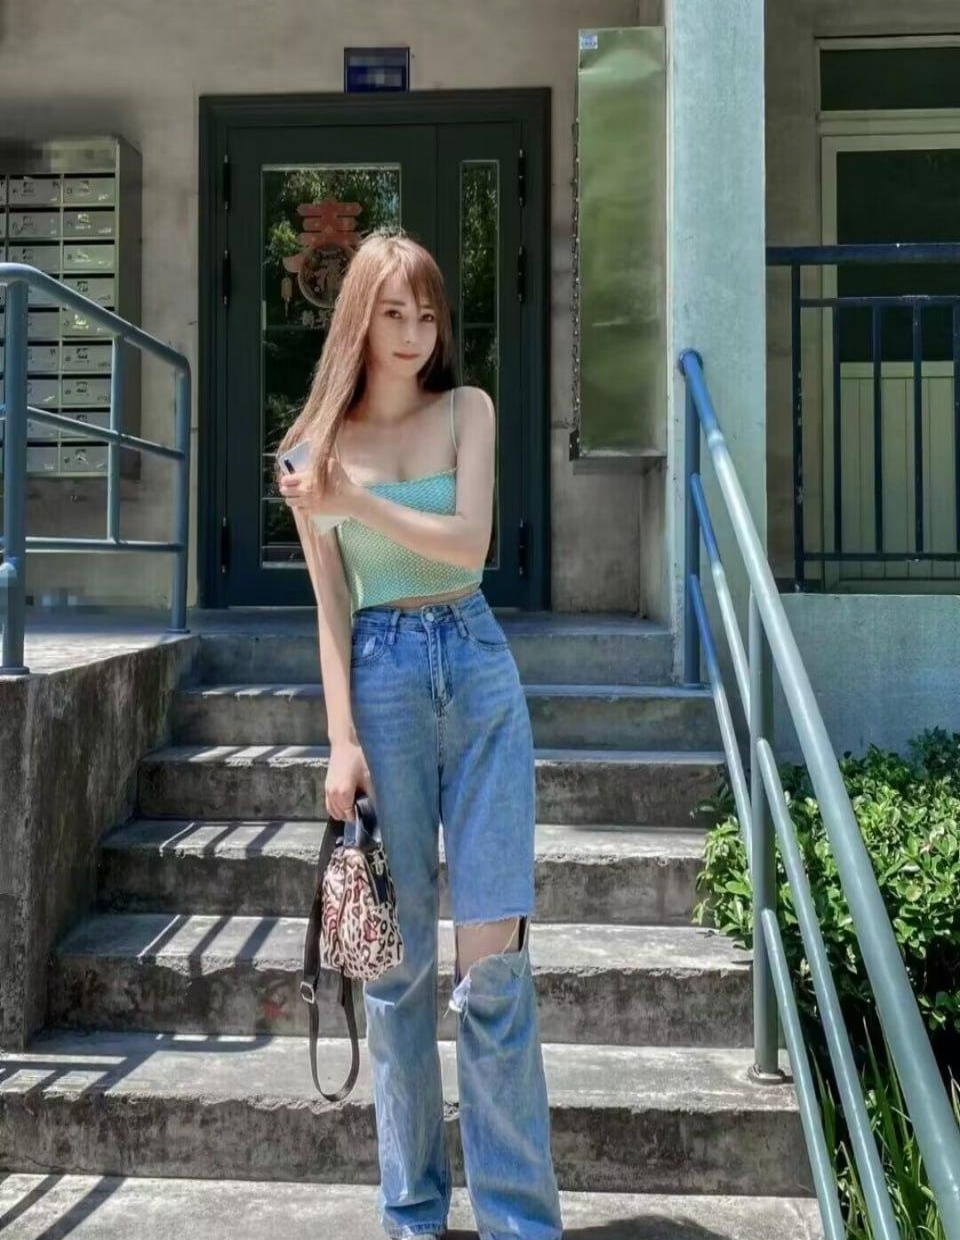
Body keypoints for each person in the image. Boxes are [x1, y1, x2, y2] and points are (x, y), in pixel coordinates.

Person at [277, 229, 563, 1240]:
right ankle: (412, 1214)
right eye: (393, 313)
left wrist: (356, 499)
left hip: (477, 670)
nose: (412, 332)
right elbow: (330, 607)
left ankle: (519, 1221)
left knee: (495, 972)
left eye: (427, 314)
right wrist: (339, 741)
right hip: (383, 681)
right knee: (396, 979)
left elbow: (469, 547)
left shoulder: (466, 411)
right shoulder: (307, 450)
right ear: (359, 319)